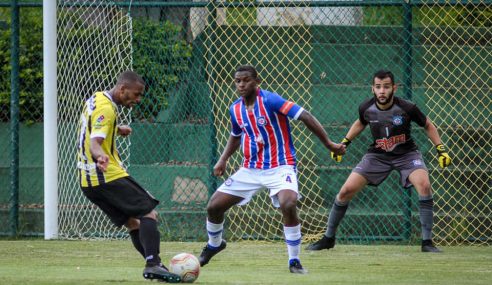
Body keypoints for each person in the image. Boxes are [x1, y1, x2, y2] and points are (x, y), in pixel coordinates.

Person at [198, 65, 346, 274]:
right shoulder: (235, 109)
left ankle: (294, 261)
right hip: (250, 169)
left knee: (288, 203)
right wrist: (222, 160)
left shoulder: (271, 100)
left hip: (280, 165)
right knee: (214, 206)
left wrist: (329, 144)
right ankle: (215, 244)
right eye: (237, 81)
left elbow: (305, 116)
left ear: (257, 81)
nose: (241, 84)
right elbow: (236, 135)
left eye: (246, 80)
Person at [306, 70, 451, 253]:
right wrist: (345, 142)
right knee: (345, 191)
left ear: (394, 88)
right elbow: (360, 122)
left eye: (386, 87)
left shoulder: (407, 108)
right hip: (377, 156)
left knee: (424, 185)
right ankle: (328, 238)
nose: (382, 91)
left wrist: (441, 149)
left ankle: (427, 242)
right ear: (372, 89)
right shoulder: (366, 108)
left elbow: (428, 125)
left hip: (407, 155)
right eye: (378, 87)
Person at [77, 71, 181, 283]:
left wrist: (117, 128)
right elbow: (94, 142)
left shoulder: (96, 99)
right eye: (136, 94)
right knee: (148, 213)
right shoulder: (107, 109)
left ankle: (155, 265)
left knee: (134, 223)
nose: (138, 99)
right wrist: (101, 157)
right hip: (106, 175)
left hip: (88, 182)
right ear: (122, 89)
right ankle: (153, 264)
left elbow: (92, 127)